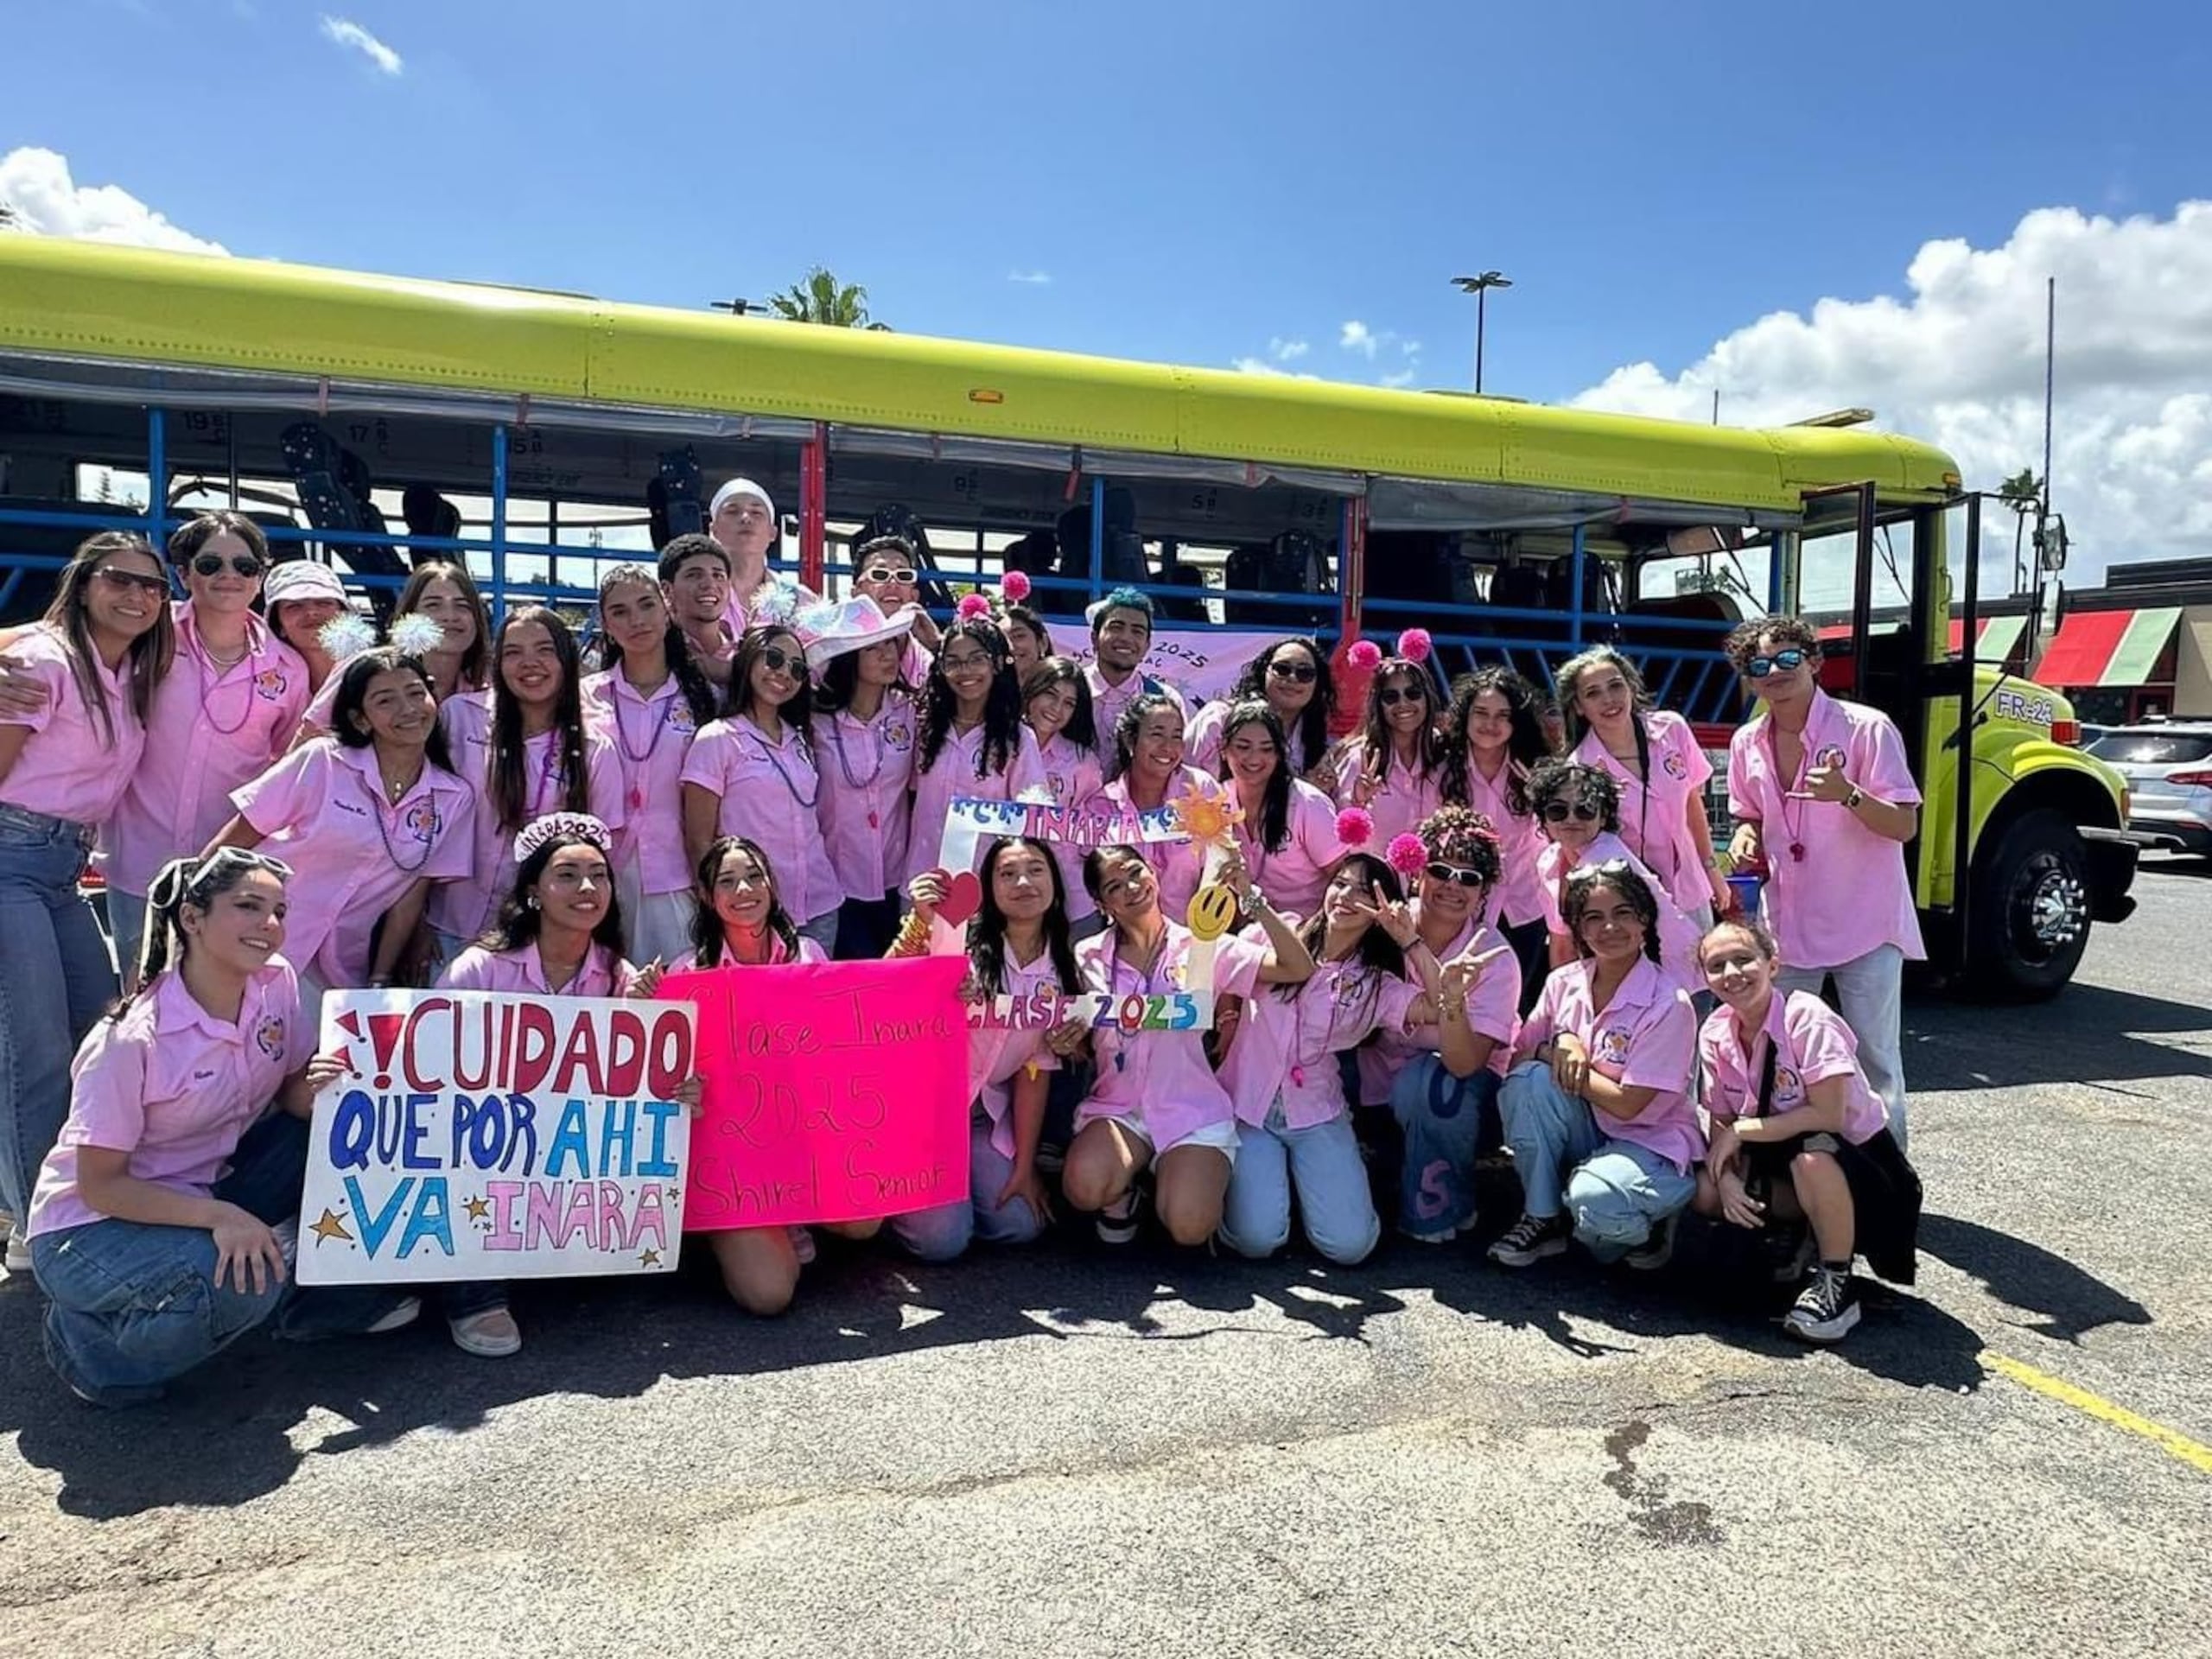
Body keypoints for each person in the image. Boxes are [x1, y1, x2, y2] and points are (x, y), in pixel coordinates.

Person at [22, 849, 421, 1406]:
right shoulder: (130, 1039)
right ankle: (86, 1347)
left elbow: (290, 1091)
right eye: (249, 906)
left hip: (205, 1187)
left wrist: (323, 1084)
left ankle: (312, 1300)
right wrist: (223, 1217)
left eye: (280, 911)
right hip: (91, 1227)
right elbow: (100, 1185)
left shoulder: (275, 983)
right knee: (246, 1284)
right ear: (192, 917)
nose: (271, 926)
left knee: (339, 1135)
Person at [0, 513, 310, 978]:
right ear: (183, 575)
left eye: (245, 567)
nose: (228, 576)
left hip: (222, 871)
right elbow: (52, 637)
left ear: (260, 577)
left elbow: (284, 772)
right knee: (135, 999)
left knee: (212, 1003)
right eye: (210, 564)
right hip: (137, 866)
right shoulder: (148, 630)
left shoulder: (288, 669)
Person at [435, 813, 670, 1358]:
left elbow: (635, 1087)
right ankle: (474, 1294)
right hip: (486, 1143)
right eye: (567, 874)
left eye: (599, 875)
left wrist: (658, 1055)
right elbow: (431, 1071)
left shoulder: (621, 976)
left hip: (567, 1153)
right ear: (534, 892)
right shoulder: (479, 969)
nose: (587, 888)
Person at [0, 533, 175, 1255]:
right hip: (11, 853)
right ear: (82, 583)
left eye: (151, 586)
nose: (136, 596)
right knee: (31, 1046)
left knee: (90, 1033)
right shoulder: (42, 660)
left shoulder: (128, 668)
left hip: (63, 866)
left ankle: (61, 1194)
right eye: (119, 580)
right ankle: (30, 1224)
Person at [1723, 615, 1923, 1148]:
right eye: (1760, 665)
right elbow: (1748, 814)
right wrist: (1746, 835)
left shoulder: (1867, 728)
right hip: (1788, 925)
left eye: (1788, 659)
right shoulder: (1748, 742)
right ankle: (1794, 1183)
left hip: (1865, 921)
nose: (1775, 672)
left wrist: (1849, 794)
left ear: (1814, 663)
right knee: (1782, 1056)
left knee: (1874, 1059)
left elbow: (1904, 825)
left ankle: (1889, 1182)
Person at [668, 836, 884, 1316]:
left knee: (865, 1221)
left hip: (800, 1141)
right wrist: (685, 1086)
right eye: (726, 881)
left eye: (754, 876)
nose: (743, 889)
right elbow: (669, 1076)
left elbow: (848, 1036)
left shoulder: (808, 956)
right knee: (769, 1296)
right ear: (707, 896)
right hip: (731, 1163)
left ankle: (794, 1215)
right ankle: (719, 1233)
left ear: (772, 884)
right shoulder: (689, 974)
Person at [1063, 843, 1313, 1245]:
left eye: (1134, 872)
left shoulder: (1203, 943)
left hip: (1190, 1109)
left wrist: (1250, 896)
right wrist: (1068, 1038)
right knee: (1085, 1189)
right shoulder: (1087, 954)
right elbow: (1079, 1028)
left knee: (1189, 1226)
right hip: (1118, 1107)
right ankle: (1129, 1191)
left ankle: (1178, 1178)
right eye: (1114, 886)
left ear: (1153, 872)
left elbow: (1297, 967)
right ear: (1101, 903)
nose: (1130, 887)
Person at [1692, 917, 1923, 1343]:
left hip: (1860, 1166)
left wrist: (1743, 1130)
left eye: (1744, 960)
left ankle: (1837, 1281)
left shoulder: (1807, 1017)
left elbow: (1828, 1116)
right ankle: (1796, 1237)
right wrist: (1726, 1181)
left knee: (1811, 1157)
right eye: (1717, 966)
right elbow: (1720, 1124)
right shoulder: (1714, 1032)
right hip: (1778, 1152)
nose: (1731, 974)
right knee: (1705, 1189)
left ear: (1773, 965)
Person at [205, 647, 475, 1008]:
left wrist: (380, 978)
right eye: (385, 700)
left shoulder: (453, 797)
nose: (408, 709)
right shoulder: (322, 761)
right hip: (249, 944)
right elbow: (235, 841)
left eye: (415, 693)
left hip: (339, 972)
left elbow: (410, 895)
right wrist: (185, 918)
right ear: (360, 719)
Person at [1218, 853, 1446, 1266]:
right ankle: (1263, 1203)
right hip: (1248, 1108)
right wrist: (1229, 1014)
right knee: (1257, 1241)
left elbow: (1441, 1006)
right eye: (1340, 883)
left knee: (1349, 1247)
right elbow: (1222, 970)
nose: (1345, 896)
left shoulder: (1377, 983)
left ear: (1381, 907)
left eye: (1363, 891)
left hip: (1316, 1112)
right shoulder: (1276, 932)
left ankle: (1310, 1195)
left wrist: (1410, 941)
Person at [1491, 861, 1702, 1269]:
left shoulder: (1668, 1003)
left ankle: (1652, 1220)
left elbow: (1628, 1105)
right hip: (1587, 1126)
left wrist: (1559, 1055)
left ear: (1644, 920)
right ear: (1580, 930)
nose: (1610, 928)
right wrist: (1562, 1042)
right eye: (1594, 918)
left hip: (1648, 1141)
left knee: (1600, 1231)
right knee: (1527, 1082)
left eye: (1622, 913)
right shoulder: (1563, 982)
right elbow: (1517, 1059)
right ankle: (1543, 1217)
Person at [891, 837, 1080, 1258]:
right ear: (989, 889)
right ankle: (900, 1205)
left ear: (1055, 884)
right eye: (1007, 873)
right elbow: (885, 990)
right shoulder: (955, 940)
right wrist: (922, 925)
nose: (1023, 882)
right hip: (920, 1113)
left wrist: (1025, 1166)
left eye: (1035, 870)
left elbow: (1035, 1070)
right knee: (941, 1243)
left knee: (1021, 1225)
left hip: (982, 1115)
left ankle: (960, 1199)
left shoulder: (1064, 968)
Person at [1361, 808, 1523, 1243]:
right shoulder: (1383, 923)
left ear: (1484, 891)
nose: (1453, 885)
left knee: (1428, 1081)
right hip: (1375, 1082)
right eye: (1441, 870)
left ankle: (1442, 1204)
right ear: (1418, 873)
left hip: (1457, 1089)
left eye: (1469, 878)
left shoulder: (1494, 956)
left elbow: (1464, 1061)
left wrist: (1417, 953)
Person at [430, 607, 626, 963]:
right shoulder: (459, 717)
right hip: (447, 924)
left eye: (544, 650)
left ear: (566, 660)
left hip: (541, 943)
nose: (529, 663)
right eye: (513, 652)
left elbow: (605, 853)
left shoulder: (596, 749)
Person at [681, 622, 846, 956]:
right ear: (749, 660)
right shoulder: (717, 738)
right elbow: (699, 839)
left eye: (797, 668)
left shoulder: (800, 738)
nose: (784, 672)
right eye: (773, 659)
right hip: (751, 910)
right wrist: (717, 902)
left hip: (819, 903)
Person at [585, 563, 718, 964]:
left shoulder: (703, 698)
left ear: (668, 609)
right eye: (620, 612)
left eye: (646, 605)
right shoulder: (584, 698)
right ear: (606, 624)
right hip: (600, 877)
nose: (636, 620)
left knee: (681, 999)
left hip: (678, 875)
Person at [1556, 645, 1726, 919]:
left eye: (1615, 686)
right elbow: (1575, 847)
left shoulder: (1672, 729)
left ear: (1631, 688)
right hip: (1629, 903)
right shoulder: (1579, 769)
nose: (1609, 700)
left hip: (1689, 889)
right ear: (1578, 707)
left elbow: (1692, 802)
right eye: (1593, 693)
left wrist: (1711, 868)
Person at [805, 597, 921, 959]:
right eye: (872, 647)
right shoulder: (815, 722)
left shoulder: (911, 712)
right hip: (837, 880)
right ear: (848, 658)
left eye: (890, 643)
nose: (887, 654)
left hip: (897, 876)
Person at [903, 613, 1051, 887]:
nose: (965, 671)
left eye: (977, 659)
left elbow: (1032, 814)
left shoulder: (1017, 738)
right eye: (954, 662)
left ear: (996, 663)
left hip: (986, 887)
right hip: (922, 883)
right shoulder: (923, 728)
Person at [1440, 665, 1555, 1013]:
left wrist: (1542, 795)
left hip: (1524, 903)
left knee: (1517, 1003)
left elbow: (1560, 834)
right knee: (1464, 1001)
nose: (1490, 724)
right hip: (1462, 902)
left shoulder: (1534, 767)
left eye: (1502, 716)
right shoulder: (1444, 767)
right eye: (1481, 713)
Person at [1528, 759, 1700, 990]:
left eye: (1585, 809)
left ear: (1603, 815)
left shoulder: (1608, 862)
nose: (1571, 819)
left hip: (1676, 982)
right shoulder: (1548, 861)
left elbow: (1627, 944)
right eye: (1557, 810)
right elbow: (1562, 942)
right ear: (1543, 817)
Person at [293, 559, 490, 740]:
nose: (450, 616)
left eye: (462, 606)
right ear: (409, 614)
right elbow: (306, 740)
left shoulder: (486, 692)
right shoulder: (363, 668)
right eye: (433, 605)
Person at [1092, 691, 1211, 925]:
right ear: (1130, 740)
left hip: (1195, 936)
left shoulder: (1200, 788)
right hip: (1127, 941)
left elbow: (1223, 859)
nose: (1168, 747)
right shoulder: (1101, 806)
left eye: (1177, 737)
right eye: (1157, 735)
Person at [1217, 700, 1345, 918]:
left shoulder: (1308, 803)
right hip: (1248, 934)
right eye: (1243, 747)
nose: (1254, 758)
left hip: (1308, 930)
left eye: (1266, 749)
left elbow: (1342, 877)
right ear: (1223, 749)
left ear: (1279, 753)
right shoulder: (1216, 802)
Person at [1322, 633, 1446, 852]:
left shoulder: (1445, 752)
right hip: (1373, 880)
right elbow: (1336, 839)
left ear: (1428, 698)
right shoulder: (1360, 757)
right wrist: (1358, 802)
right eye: (1391, 697)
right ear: (1378, 705)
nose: (1403, 704)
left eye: (1413, 694)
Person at [1022, 656, 1105, 932]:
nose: (1057, 709)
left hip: (1072, 897)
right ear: (1032, 690)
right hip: (1008, 889)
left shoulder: (1083, 761)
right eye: (1051, 695)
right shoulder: (997, 745)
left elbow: (1093, 831)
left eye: (1069, 703)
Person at [1185, 637, 1334, 776]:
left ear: (1317, 683)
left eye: (1305, 673)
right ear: (1264, 672)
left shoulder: (1321, 742)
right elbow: (1180, 774)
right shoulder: (1219, 718)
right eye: (1282, 669)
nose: (1292, 678)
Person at [709, 478, 814, 639]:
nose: (745, 518)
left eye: (756, 513)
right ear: (713, 530)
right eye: (732, 511)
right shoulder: (698, 593)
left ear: (773, 533)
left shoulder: (800, 601)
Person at [1083, 587, 1185, 739]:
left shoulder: (1167, 700)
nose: (1126, 638)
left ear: (1147, 646)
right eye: (1116, 628)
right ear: (1094, 638)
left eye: (1137, 631)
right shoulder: (1069, 690)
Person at [848, 532, 939, 682]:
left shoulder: (927, 658)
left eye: (903, 576)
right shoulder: (833, 650)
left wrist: (936, 647)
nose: (893, 583)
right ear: (856, 592)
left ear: (914, 595)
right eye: (879, 574)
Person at [659, 531, 741, 687]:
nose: (709, 584)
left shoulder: (745, 654)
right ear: (667, 590)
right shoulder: (653, 651)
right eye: (694, 575)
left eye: (718, 576)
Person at [261, 560, 351, 696]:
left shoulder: (372, 672)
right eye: (295, 606)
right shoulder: (261, 684)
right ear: (279, 626)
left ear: (343, 615)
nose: (311, 612)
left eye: (323, 603)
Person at [998, 603, 1053, 686]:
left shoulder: (1065, 690)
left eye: (1019, 636)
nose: (1010, 647)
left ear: (1043, 642)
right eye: (1002, 639)